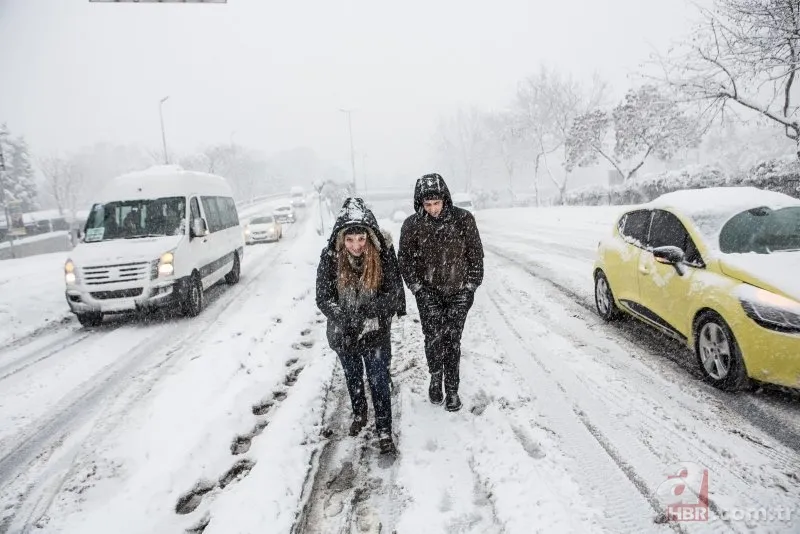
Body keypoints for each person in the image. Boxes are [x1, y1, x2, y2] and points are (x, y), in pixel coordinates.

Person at [316, 198, 405, 454]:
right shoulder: (331, 257)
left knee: (378, 379)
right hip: (344, 333)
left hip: (375, 331)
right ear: (341, 239)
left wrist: (369, 312)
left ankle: (384, 429)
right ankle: (359, 412)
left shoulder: (383, 254)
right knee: (353, 375)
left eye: (362, 240)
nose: (356, 246)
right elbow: (323, 297)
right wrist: (344, 319)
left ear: (370, 237)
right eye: (350, 240)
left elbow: (393, 293)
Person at [398, 173, 484, 412]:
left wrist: (469, 288)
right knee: (433, 338)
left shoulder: (463, 220)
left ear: (445, 199)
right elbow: (405, 261)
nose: (433, 209)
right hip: (429, 294)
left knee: (453, 340)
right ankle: (436, 377)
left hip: (458, 292)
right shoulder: (412, 226)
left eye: (437, 203)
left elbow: (476, 256)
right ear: (420, 204)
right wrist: (418, 289)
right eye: (428, 204)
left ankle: (453, 388)